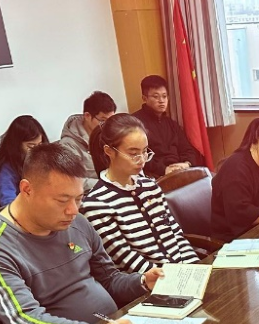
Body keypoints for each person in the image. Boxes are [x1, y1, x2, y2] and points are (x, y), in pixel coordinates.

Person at [0, 143, 163, 324]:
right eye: (62, 200)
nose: (73, 210)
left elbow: (109, 279)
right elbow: (25, 322)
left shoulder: (76, 222)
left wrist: (142, 282)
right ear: (27, 189)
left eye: (78, 199)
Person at [83, 114, 198, 273]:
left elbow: (176, 235)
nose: (142, 160)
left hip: (183, 274)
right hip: (150, 281)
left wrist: (196, 268)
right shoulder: (96, 204)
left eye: (145, 152)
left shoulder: (150, 186)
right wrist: (172, 278)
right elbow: (125, 258)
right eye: (133, 153)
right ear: (109, 151)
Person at [132, 75, 201, 179]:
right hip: (155, 175)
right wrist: (164, 169)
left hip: (180, 170)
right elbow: (137, 157)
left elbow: (188, 149)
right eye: (156, 96)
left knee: (211, 180)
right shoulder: (134, 124)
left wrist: (186, 164)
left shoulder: (171, 123)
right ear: (144, 98)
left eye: (164, 96)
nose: (161, 100)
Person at [60, 90, 117, 193]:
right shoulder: (68, 145)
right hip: (91, 193)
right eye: (103, 120)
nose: (108, 125)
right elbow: (72, 179)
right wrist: (109, 183)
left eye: (111, 120)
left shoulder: (109, 134)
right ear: (87, 116)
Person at [0, 115, 48, 207]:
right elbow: (8, 203)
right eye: (31, 146)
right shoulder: (7, 170)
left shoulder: (43, 159)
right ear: (17, 145)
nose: (37, 150)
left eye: (40, 144)